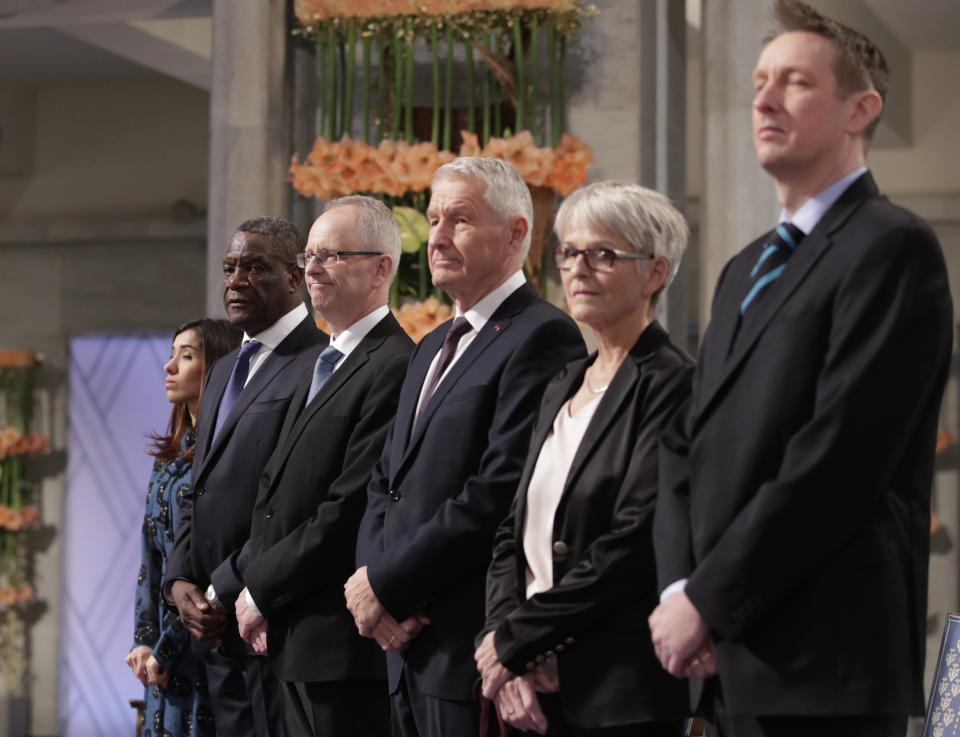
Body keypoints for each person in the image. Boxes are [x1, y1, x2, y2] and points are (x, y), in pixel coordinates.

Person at [648, 3, 953, 736]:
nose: (763, 98)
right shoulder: (743, 268)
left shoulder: (892, 249)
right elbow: (685, 441)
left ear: (860, 110)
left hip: (825, 660)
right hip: (724, 655)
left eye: (794, 82)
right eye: (759, 81)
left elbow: (841, 457)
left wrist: (711, 598)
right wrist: (678, 589)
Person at [346, 157, 587, 737]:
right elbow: (387, 478)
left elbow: (498, 492)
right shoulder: (430, 345)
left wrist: (388, 585)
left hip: (462, 645)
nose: (437, 236)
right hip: (401, 646)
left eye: (460, 219)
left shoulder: (542, 334)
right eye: (432, 220)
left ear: (516, 233)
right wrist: (368, 583)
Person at [474, 181, 693, 737]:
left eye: (604, 255)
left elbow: (634, 542)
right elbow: (512, 530)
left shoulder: (674, 384)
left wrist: (518, 639)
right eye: (569, 252)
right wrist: (505, 643)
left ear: (656, 273)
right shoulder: (565, 382)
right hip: (533, 686)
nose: (578, 268)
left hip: (619, 692)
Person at [222, 196, 414, 737]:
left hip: (340, 645)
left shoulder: (395, 364)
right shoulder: (324, 360)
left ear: (381, 268)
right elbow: (278, 494)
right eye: (309, 255)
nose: (311, 269)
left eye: (329, 255)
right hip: (293, 636)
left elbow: (347, 507)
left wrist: (259, 588)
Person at [164, 216, 326, 737]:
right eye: (230, 267)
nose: (235, 281)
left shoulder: (319, 363)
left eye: (256, 268)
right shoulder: (226, 368)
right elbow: (199, 486)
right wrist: (180, 580)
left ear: (296, 277)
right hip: (213, 631)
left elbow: (296, 502)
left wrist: (223, 588)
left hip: (271, 620)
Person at [127, 317, 241, 737]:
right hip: (161, 667)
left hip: (206, 652)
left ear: (219, 367)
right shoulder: (169, 460)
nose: (169, 367)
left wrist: (167, 649)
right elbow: (150, 560)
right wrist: (143, 641)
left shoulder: (227, 454)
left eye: (186, 356)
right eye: (172, 354)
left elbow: (206, 566)